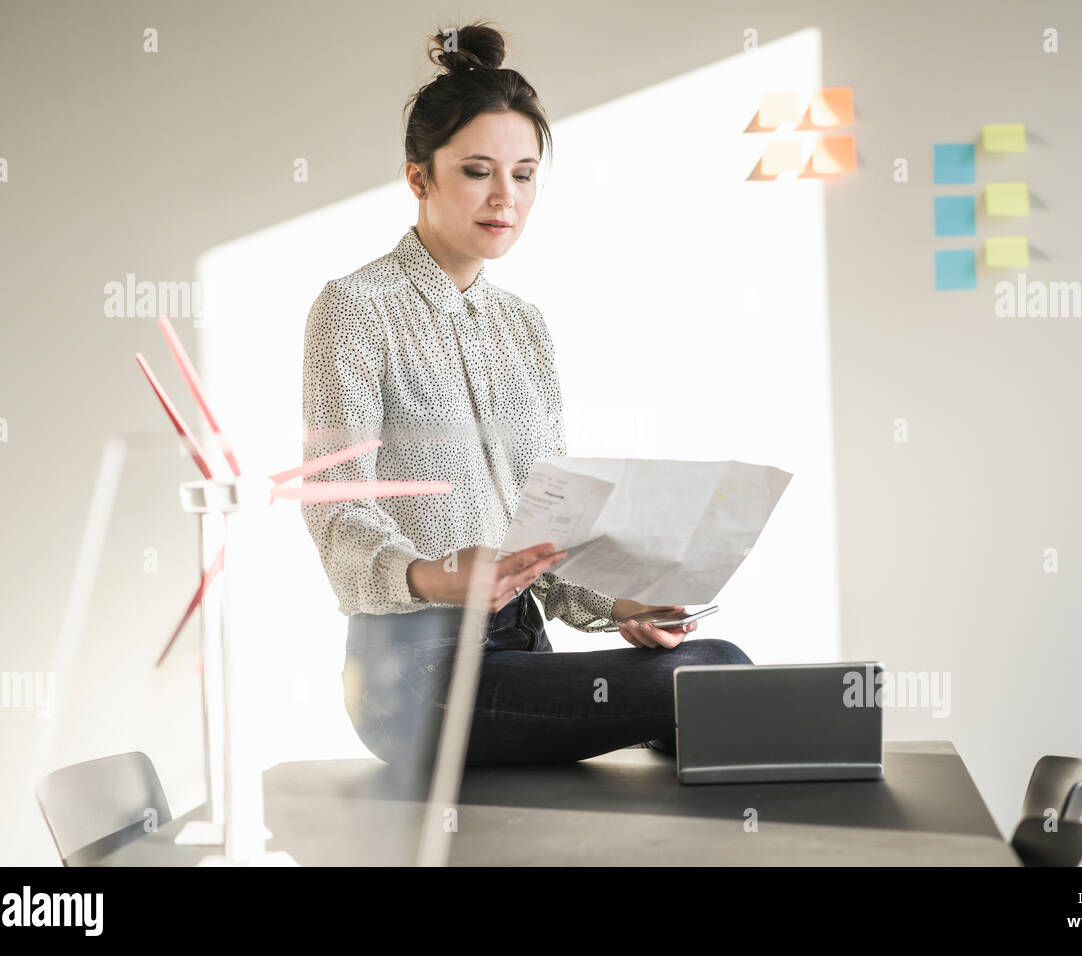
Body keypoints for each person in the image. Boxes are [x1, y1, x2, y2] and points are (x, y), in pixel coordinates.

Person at [300, 21, 752, 779]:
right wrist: (436, 574)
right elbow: (334, 502)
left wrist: (625, 607)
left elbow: (552, 522)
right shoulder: (355, 307)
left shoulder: (525, 327)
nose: (505, 198)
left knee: (718, 664)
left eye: (525, 173)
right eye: (477, 171)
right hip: (412, 677)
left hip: (520, 650)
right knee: (708, 686)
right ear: (419, 177)